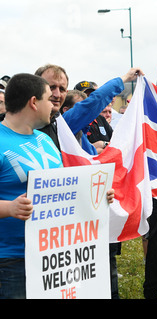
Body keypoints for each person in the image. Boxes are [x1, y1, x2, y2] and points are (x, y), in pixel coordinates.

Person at [0, 73, 114, 299]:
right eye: (47, 99)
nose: (54, 105)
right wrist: (9, 208)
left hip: (56, 257)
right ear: (34, 102)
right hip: (12, 261)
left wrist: (98, 195)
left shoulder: (46, 141)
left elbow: (65, 189)